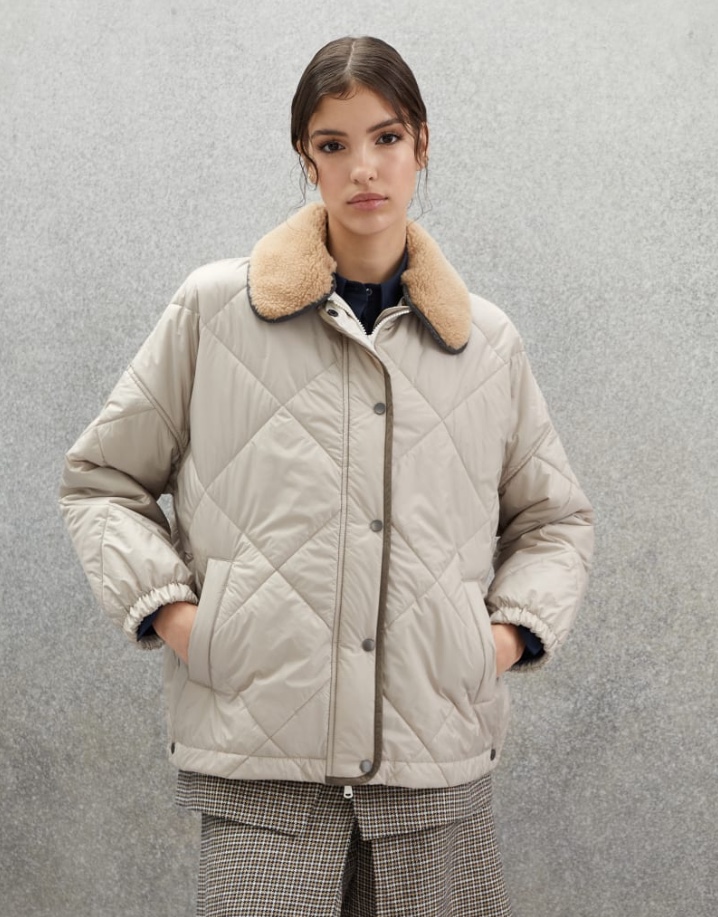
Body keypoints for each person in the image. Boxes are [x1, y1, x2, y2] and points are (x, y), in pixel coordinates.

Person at [60, 35, 594, 917]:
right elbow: (101, 479)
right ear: (306, 158)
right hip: (264, 766)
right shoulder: (215, 311)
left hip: (434, 768)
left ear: (422, 143)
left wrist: (494, 642)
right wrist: (187, 623)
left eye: (386, 138)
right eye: (333, 144)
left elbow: (555, 521)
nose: (363, 169)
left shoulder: (486, 344)